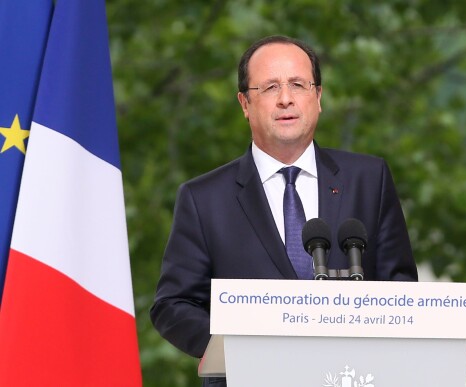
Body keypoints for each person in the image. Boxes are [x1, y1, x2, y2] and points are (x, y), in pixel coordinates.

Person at [150, 35, 418, 387]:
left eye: (298, 85)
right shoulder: (204, 198)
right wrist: (234, 347)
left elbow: (402, 292)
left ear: (318, 97)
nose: (286, 99)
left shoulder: (369, 179)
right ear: (245, 103)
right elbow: (172, 304)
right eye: (270, 87)